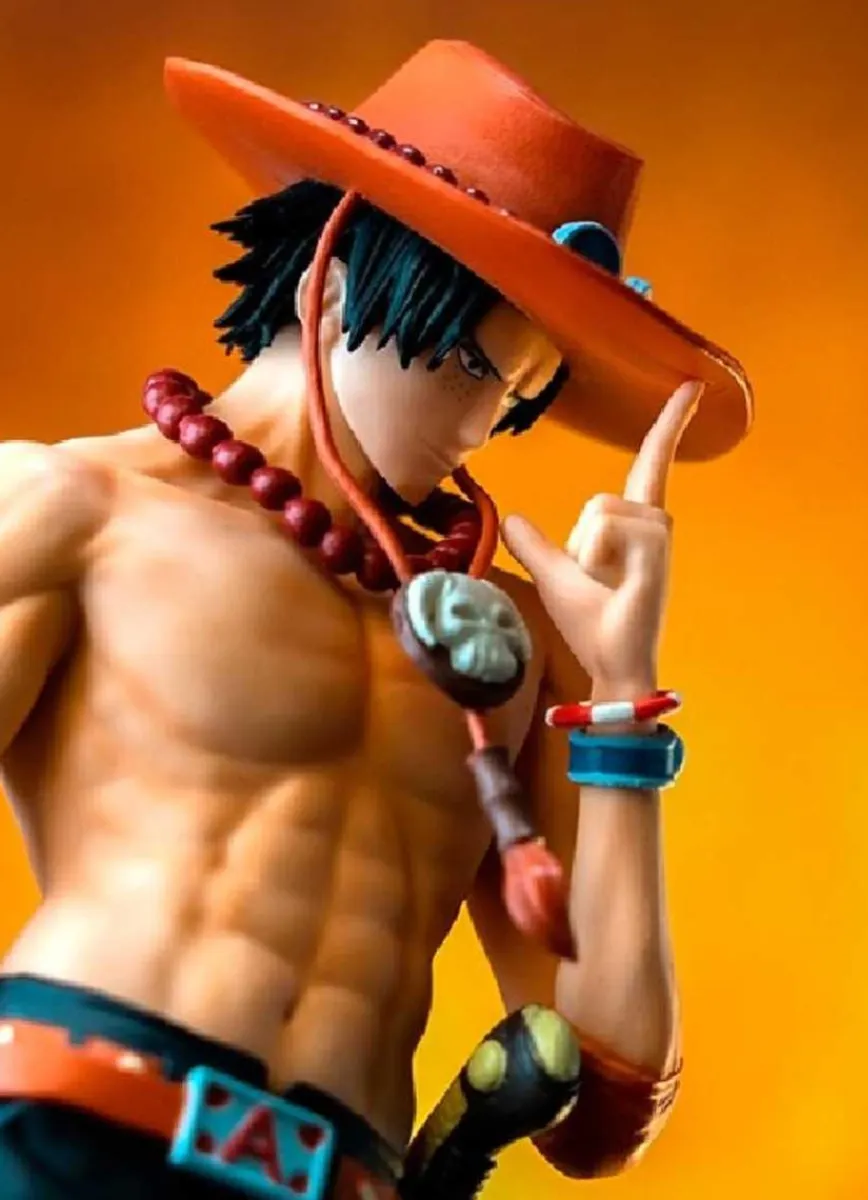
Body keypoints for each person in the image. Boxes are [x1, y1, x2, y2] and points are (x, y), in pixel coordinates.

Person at [0, 39, 752, 1200]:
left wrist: (618, 697)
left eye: (518, 396)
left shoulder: (517, 649)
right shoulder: (73, 510)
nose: (478, 425)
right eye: (466, 365)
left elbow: (601, 1105)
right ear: (330, 288)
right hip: (67, 1144)